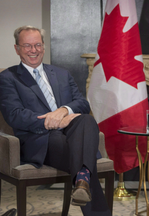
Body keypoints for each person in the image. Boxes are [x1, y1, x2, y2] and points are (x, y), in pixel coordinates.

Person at [0, 25, 111, 216]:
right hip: (40, 140)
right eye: (27, 46)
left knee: (85, 120)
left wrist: (63, 110)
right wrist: (52, 122)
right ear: (17, 48)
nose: (33, 50)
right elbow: (15, 115)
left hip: (72, 134)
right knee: (83, 152)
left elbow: (82, 103)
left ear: (43, 47)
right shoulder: (7, 78)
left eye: (37, 45)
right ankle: (83, 178)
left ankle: (82, 180)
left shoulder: (61, 74)